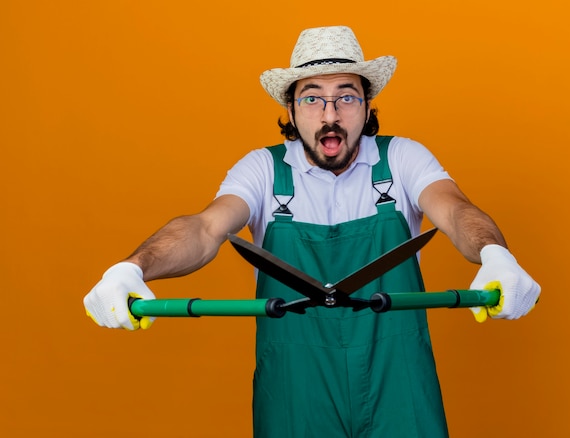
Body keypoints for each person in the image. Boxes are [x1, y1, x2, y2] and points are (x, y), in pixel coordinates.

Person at [84, 26, 541, 437]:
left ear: (366, 105)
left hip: (397, 379)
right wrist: (132, 267)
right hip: (295, 388)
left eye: (346, 96)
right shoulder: (263, 170)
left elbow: (457, 210)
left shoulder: (402, 159)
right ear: (291, 107)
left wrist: (495, 256)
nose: (330, 114)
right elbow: (204, 228)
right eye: (312, 97)